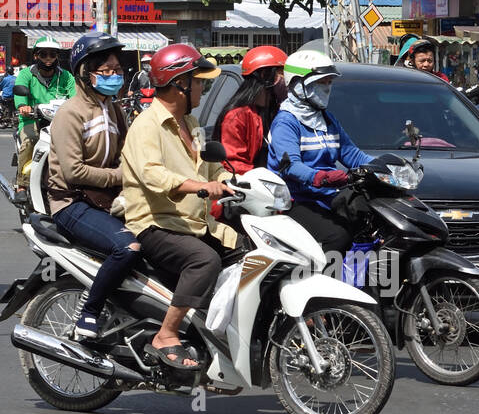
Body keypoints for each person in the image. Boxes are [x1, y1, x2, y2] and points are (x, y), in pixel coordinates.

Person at [120, 43, 236, 371]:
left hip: (192, 222)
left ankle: (211, 329)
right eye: (198, 81)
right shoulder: (147, 126)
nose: (203, 87)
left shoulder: (193, 123)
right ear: (179, 83)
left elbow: (214, 172)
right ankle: (166, 333)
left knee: (248, 251)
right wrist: (201, 187)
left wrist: (240, 183)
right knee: (204, 261)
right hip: (156, 223)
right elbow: (152, 175)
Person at [47, 32, 139, 340]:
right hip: (71, 203)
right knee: (127, 247)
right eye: (107, 71)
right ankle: (89, 312)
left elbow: (129, 153)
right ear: (86, 74)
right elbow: (73, 172)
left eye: (118, 70)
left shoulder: (114, 110)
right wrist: (120, 177)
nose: (115, 76)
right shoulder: (70, 114)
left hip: (105, 200)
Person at [267, 49, 374, 255]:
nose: (326, 88)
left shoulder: (327, 119)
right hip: (296, 200)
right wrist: (320, 177)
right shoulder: (286, 122)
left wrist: (388, 167)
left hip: (328, 195)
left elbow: (353, 155)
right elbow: (290, 166)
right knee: (338, 236)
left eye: (329, 83)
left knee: (372, 219)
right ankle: (319, 284)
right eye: (320, 82)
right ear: (298, 85)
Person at [213, 46, 287, 175]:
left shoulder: (280, 110)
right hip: (253, 188)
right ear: (265, 75)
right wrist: (266, 180)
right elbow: (234, 163)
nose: (286, 81)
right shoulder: (237, 116)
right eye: (282, 74)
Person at [15, 37, 75, 185]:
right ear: (36, 56)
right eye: (44, 54)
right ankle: (22, 184)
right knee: (30, 142)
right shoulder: (26, 74)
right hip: (31, 120)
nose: (48, 58)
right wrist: (23, 106)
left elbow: (75, 98)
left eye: (52, 54)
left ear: (57, 56)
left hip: (60, 123)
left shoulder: (66, 76)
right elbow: (19, 91)